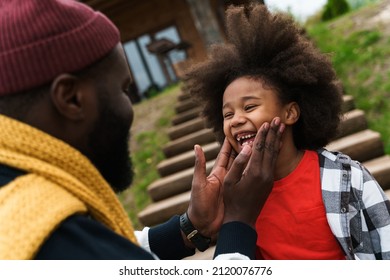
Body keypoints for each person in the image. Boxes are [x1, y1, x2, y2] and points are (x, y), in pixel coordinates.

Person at [0, 0, 285, 260]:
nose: (130, 109)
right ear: (72, 99)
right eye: (124, 90)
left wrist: (190, 227)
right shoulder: (49, 236)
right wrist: (238, 221)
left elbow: (117, 244)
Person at [184, 3, 390, 260]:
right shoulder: (235, 199)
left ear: (290, 113)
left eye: (249, 106)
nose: (236, 120)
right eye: (227, 114)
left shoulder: (349, 179)